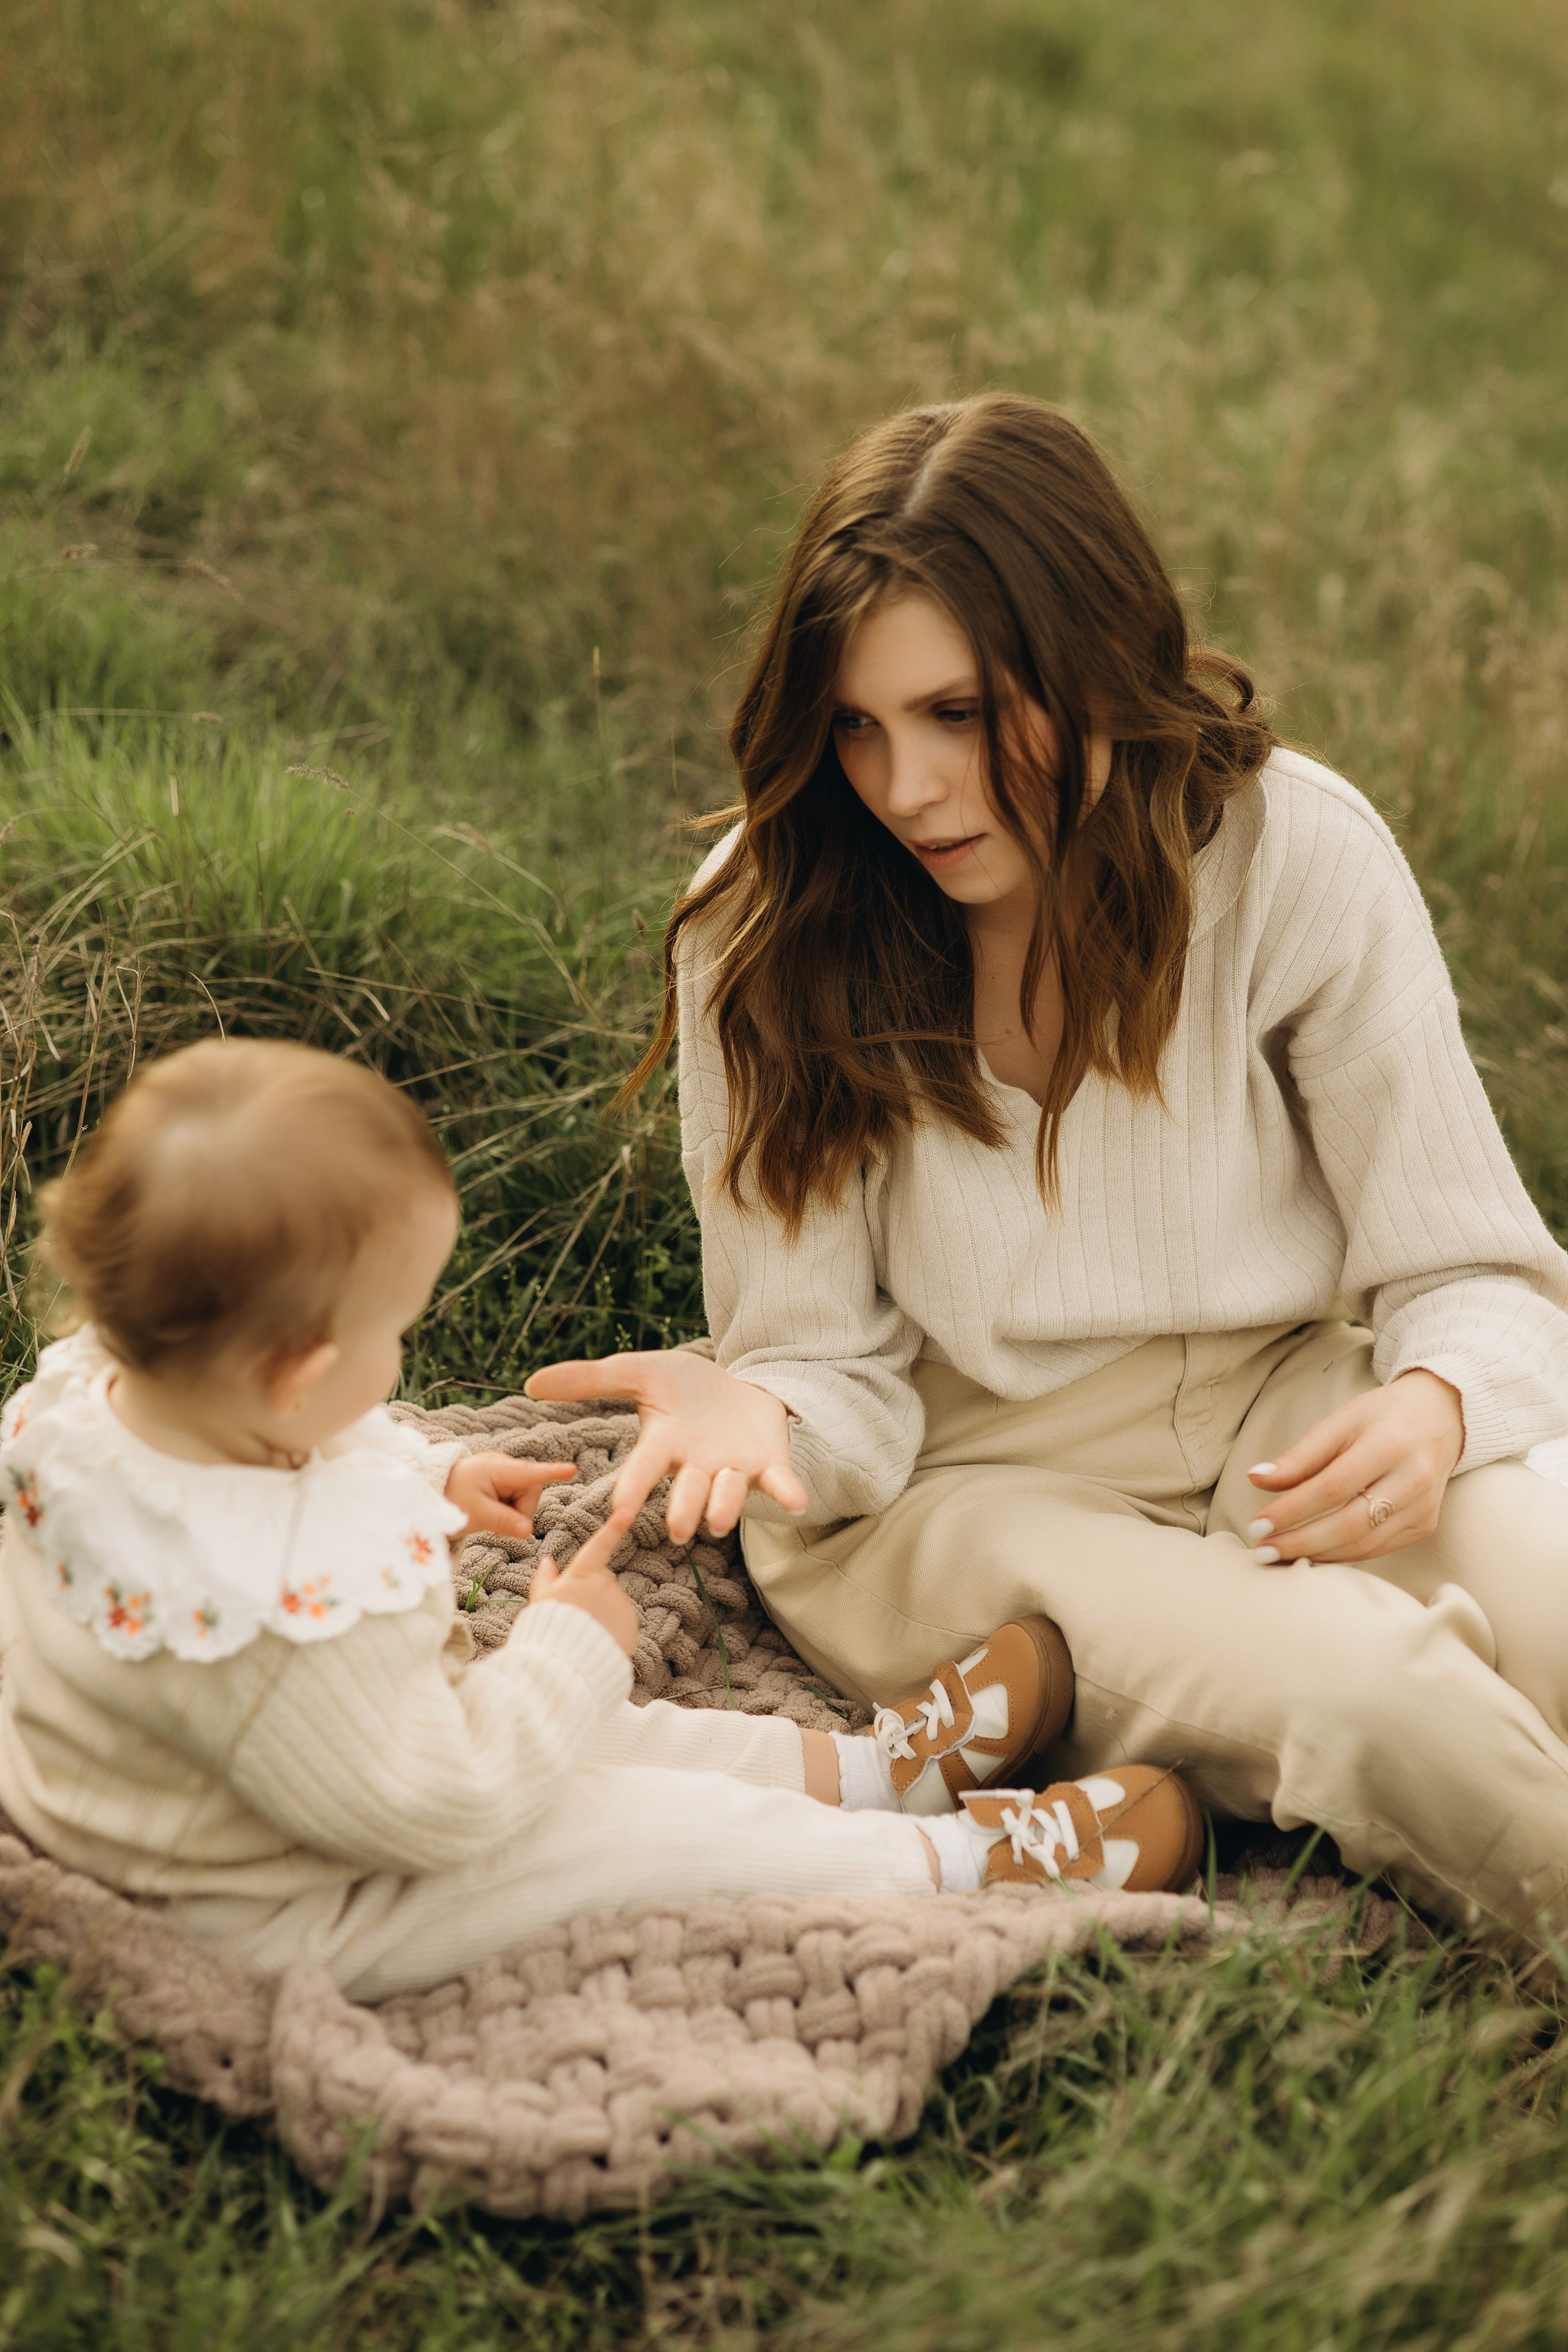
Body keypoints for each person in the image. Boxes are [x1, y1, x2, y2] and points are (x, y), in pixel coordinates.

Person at [530, 392, 1568, 1948]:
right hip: (947, 1477)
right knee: (1378, 1693)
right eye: (858, 728)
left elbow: (1472, 1268)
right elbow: (826, 1364)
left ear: (1094, 661)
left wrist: (1434, 1407)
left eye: (957, 714)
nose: (904, 791)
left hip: (1277, 1396)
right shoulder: (764, 921)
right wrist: (761, 1406)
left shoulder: (1294, 854)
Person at [0, 1039, 1201, 2005]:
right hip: (295, 1895)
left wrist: (428, 1473)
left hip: (233, 1791)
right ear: (298, 1375)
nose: (403, 1352)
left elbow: (280, 1455)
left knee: (618, 1738)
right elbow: (448, 1802)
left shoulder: (94, 1400)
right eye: (396, 1332)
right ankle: (958, 1868)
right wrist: (566, 1648)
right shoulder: (267, 1623)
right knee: (616, 1819)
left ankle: (876, 1772)